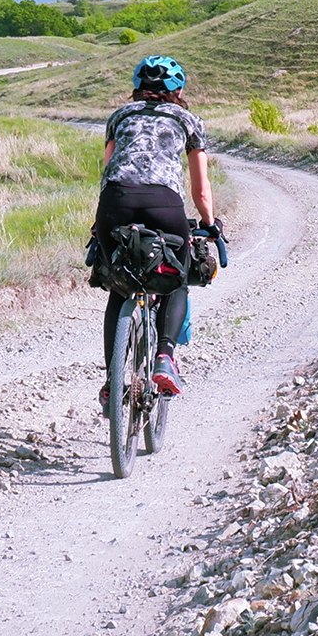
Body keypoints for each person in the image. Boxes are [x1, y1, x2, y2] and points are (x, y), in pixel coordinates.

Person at [94, 54, 217, 413]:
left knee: (119, 282)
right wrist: (210, 222)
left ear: (137, 89)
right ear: (177, 90)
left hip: (114, 201)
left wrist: (101, 219)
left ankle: (113, 380)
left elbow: (108, 170)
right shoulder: (188, 120)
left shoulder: (119, 117)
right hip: (164, 203)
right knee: (176, 278)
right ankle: (165, 356)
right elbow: (200, 187)